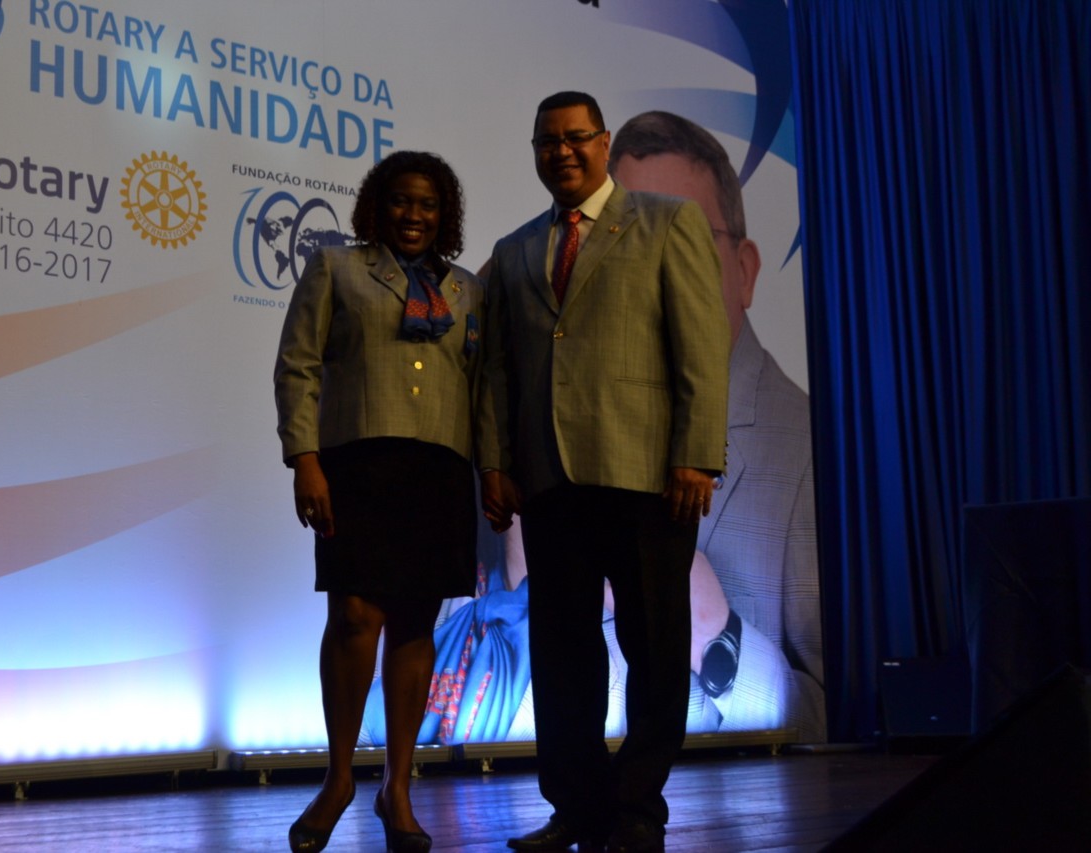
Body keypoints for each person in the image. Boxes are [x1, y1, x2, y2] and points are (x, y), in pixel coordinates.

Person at [485, 92, 729, 853]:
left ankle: (637, 807)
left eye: (576, 137)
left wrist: (696, 454)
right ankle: (577, 807)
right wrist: (495, 462)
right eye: (546, 141)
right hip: (549, 481)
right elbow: (497, 371)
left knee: (655, 647)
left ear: (603, 141)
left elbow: (700, 345)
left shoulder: (667, 221)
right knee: (562, 656)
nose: (561, 151)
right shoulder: (516, 249)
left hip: (650, 475)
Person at [273, 150, 506, 853]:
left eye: (428, 204)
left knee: (413, 625)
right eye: (402, 200)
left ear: (445, 215)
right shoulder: (336, 267)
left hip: (440, 471)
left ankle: (397, 786)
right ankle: (338, 777)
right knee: (353, 617)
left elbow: (486, 389)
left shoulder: (468, 290)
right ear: (378, 205)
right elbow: (298, 366)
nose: (414, 214)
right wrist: (304, 459)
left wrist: (494, 468)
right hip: (357, 465)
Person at [608, 110, 826, 744]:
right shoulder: (564, 438)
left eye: (686, 240)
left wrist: (715, 636)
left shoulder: (814, 454)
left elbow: (845, 716)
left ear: (745, 271)